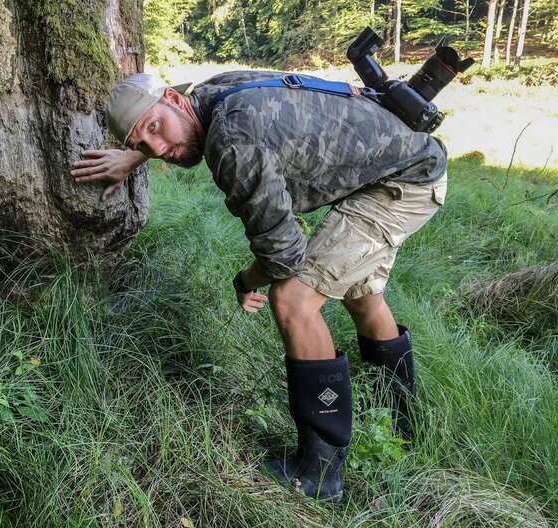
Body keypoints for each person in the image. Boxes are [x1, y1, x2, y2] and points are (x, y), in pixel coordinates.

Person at [71, 71, 447, 502]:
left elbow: (283, 256)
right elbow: (179, 127)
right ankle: (400, 422)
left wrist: (243, 280)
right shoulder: (216, 91)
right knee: (361, 293)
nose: (156, 149)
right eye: (142, 143)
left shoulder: (232, 145)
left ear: (173, 99)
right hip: (396, 162)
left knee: (292, 299)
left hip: (400, 184)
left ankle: (321, 472)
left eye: (154, 130)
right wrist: (135, 153)